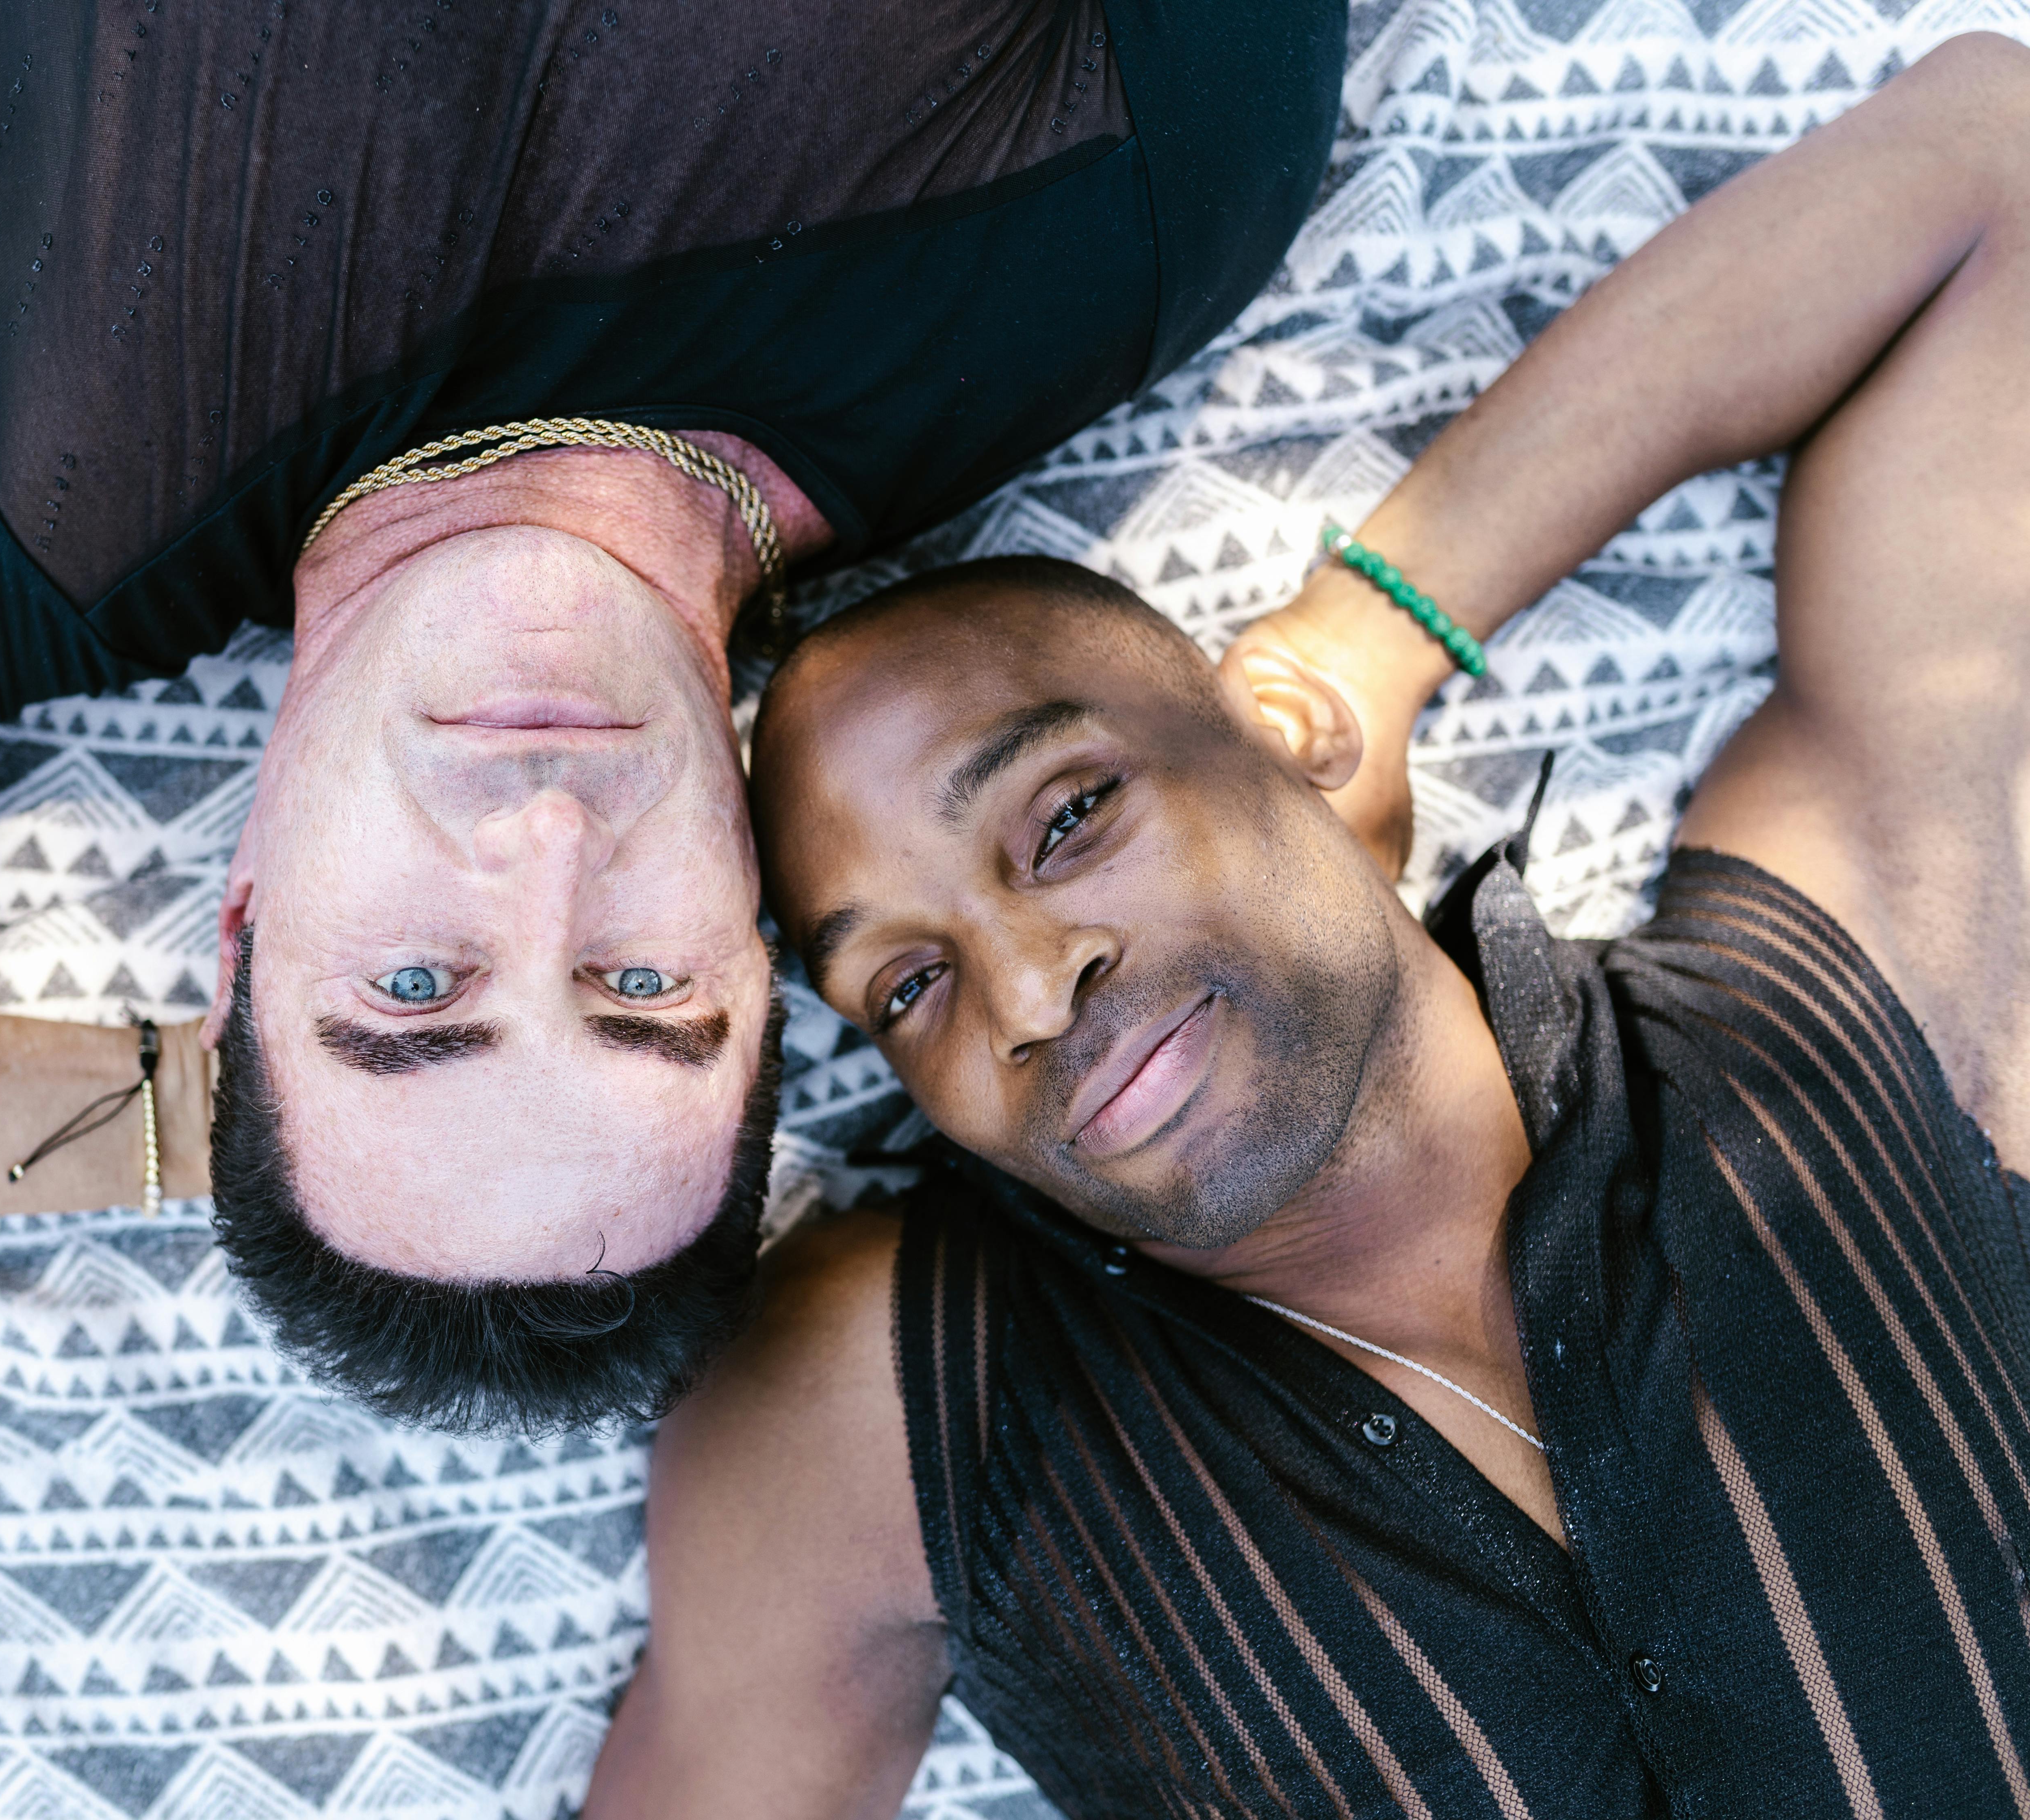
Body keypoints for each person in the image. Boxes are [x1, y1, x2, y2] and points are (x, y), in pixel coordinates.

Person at [0, 1, 1345, 1429]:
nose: (541, 838)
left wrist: (215, 1126)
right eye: (642, 982)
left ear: (247, 921)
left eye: (414, 988)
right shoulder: (1131, 224)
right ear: (757, 930)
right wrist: (330, 1092)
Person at [594, 32, 2030, 1815]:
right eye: (906, 983)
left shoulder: (1834, 1013)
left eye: (1067, 815)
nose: (1031, 988)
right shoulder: (887, 1413)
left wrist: (1369, 638)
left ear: (1272, 749)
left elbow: (1994, 169)